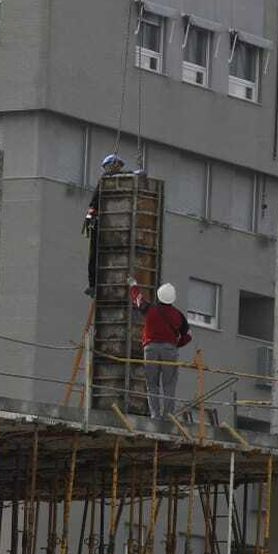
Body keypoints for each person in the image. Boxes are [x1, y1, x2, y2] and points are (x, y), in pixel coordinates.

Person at [131, 280, 192, 419]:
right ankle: (168, 416)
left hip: (150, 349)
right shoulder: (178, 315)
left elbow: (138, 299)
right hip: (170, 351)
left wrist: (133, 285)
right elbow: (188, 335)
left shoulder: (149, 309)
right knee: (169, 384)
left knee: (152, 384)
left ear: (159, 295)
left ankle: (155, 415)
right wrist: (176, 345)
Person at [83, 153, 129, 295]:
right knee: (96, 254)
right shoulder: (105, 181)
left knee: (105, 254)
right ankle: (94, 284)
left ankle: (98, 284)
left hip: (110, 223)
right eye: (116, 166)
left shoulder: (117, 181)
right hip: (99, 222)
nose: (118, 168)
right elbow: (93, 203)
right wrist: (90, 219)